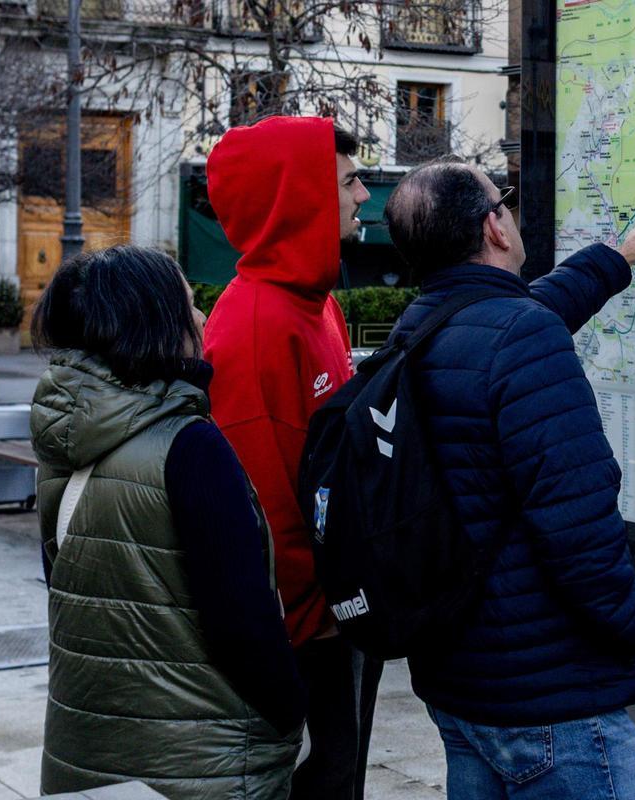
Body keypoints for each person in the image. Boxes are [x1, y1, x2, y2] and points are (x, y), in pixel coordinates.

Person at [382, 160, 635, 798]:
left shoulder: (419, 330)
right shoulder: (516, 336)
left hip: (461, 687)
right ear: (494, 227)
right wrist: (634, 627)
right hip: (554, 701)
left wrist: (620, 256)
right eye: (505, 203)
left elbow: (526, 312)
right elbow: (577, 516)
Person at [29, 246, 306, 800]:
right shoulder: (190, 448)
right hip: (202, 766)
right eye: (187, 305)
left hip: (87, 760)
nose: (201, 319)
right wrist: (290, 712)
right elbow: (244, 626)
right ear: (153, 323)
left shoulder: (66, 444)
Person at [202, 116, 380, 800]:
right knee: (326, 780)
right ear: (298, 196)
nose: (365, 195)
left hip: (343, 610)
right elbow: (263, 509)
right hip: (311, 630)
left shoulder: (316, 305)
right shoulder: (253, 326)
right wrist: (323, 622)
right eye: (348, 180)